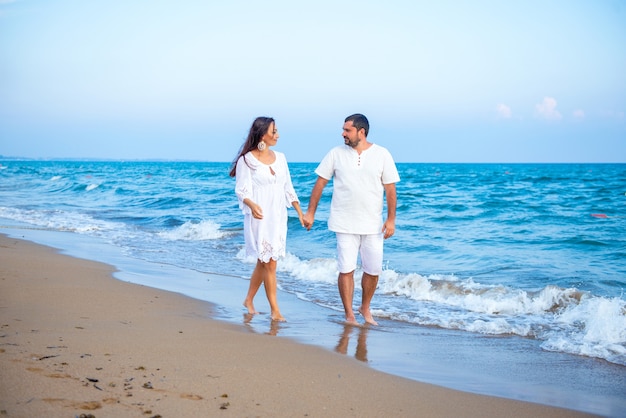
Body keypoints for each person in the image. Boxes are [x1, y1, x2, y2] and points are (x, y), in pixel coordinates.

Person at [303, 114, 399, 326]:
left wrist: (391, 220)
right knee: (346, 269)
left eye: (347, 130)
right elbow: (320, 184)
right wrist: (310, 213)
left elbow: (390, 189)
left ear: (361, 132)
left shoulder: (382, 154)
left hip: (373, 225)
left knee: (373, 271)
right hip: (343, 223)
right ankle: (349, 314)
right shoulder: (335, 154)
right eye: (343, 130)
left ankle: (365, 307)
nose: (343, 134)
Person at [230, 117, 304, 322]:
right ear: (263, 134)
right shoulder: (247, 160)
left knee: (264, 263)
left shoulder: (281, 158)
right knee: (269, 263)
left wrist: (299, 212)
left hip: (278, 216)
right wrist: (252, 205)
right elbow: (242, 190)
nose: (277, 135)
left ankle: (249, 300)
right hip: (259, 216)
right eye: (274, 131)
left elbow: (288, 188)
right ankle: (275, 311)